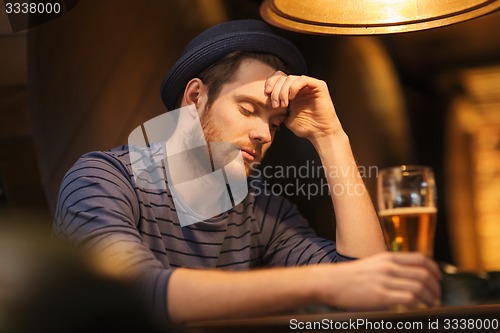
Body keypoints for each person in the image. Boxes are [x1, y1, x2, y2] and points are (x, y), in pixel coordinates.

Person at [53, 19, 441, 327]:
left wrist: (331, 138)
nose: (263, 134)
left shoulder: (262, 210)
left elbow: (366, 288)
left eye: (275, 122)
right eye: (247, 109)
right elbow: (136, 295)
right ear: (194, 99)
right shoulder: (102, 179)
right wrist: (326, 282)